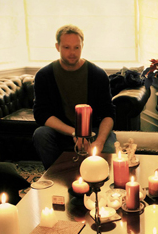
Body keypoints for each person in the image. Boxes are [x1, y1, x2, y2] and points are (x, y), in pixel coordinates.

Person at [33, 24, 116, 169]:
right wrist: (74, 133)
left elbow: (108, 113)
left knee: (107, 156)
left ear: (82, 46)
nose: (72, 52)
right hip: (63, 131)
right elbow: (41, 113)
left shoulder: (97, 74)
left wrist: (99, 141)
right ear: (57, 47)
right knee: (41, 134)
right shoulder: (44, 75)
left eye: (76, 47)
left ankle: (99, 183)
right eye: (66, 47)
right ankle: (56, 177)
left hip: (94, 130)